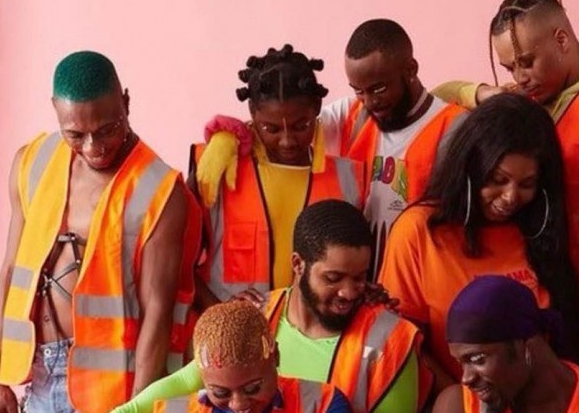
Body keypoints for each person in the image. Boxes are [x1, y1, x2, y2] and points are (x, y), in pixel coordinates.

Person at [432, 0, 579, 374]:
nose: (519, 77)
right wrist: (484, 93)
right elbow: (437, 95)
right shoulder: (536, 100)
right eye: (509, 67)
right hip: (552, 309)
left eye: (526, 62)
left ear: (562, 40)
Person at [0, 51, 201, 413]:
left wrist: (140, 407)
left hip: (110, 392)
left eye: (108, 128)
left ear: (125, 101)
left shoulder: (160, 190)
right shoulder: (32, 162)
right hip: (35, 373)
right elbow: (11, 271)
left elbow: (158, 312)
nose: (94, 147)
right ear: (56, 111)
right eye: (75, 134)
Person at [196, 19, 468, 278]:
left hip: (419, 281)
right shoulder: (353, 115)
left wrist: (471, 90)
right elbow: (282, 124)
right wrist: (229, 136)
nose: (369, 101)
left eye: (378, 88)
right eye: (358, 90)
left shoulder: (455, 128)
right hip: (357, 288)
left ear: (411, 69)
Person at [115, 200, 428, 413]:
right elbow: (188, 379)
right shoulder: (257, 313)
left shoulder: (390, 339)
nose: (349, 292)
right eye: (333, 278)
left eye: (359, 278)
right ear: (298, 264)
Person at [379, 93, 577, 392]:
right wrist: (464, 402)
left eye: (527, 185)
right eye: (498, 179)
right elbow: (407, 346)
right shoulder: (418, 231)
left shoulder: (540, 227)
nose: (511, 198)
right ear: (470, 169)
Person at [190, 45, 365, 307]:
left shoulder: (349, 179)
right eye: (270, 128)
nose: (287, 141)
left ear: (317, 107)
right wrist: (220, 312)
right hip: (227, 339)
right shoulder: (216, 166)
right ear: (252, 112)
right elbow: (177, 266)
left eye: (300, 126)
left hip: (312, 342)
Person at [434, 275, 579, 413]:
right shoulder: (458, 406)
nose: (466, 378)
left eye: (478, 359)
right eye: (461, 363)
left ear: (525, 346)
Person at [153, 300, 350, 413]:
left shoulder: (324, 404)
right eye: (220, 394)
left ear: (276, 357)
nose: (239, 405)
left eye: (252, 388)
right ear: (203, 380)